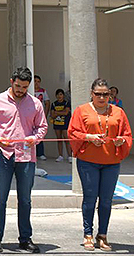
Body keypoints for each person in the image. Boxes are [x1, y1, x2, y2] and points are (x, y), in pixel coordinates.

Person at [0, 67, 47, 253]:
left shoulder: (35, 104)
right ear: (11, 81)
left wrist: (34, 138)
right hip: (2, 155)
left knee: (25, 200)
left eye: (25, 87)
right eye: (18, 86)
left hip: (26, 157)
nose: (20, 90)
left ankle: (25, 239)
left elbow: (42, 127)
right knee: (0, 198)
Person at [68, 78, 132, 251]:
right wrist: (89, 138)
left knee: (106, 201)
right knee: (90, 199)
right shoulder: (82, 111)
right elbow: (72, 132)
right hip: (88, 162)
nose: (102, 97)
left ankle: (102, 235)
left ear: (110, 94)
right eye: (98, 94)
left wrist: (121, 141)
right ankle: (87, 234)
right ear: (91, 93)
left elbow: (127, 134)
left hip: (111, 163)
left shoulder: (118, 112)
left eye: (106, 94)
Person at [50, 89, 72, 162]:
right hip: (57, 124)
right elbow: (52, 115)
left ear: (63, 95)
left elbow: (66, 113)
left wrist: (57, 112)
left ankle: (70, 156)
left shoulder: (66, 103)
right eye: (58, 94)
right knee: (59, 139)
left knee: (66, 139)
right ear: (56, 96)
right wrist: (60, 112)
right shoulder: (53, 104)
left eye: (61, 94)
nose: (59, 96)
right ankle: (60, 155)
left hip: (65, 124)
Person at [33, 75, 50, 161]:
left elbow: (47, 102)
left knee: (40, 133)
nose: (36, 83)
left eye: (38, 81)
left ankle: (41, 153)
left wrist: (45, 114)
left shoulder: (43, 91)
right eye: (35, 81)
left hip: (40, 115)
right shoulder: (29, 90)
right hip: (31, 115)